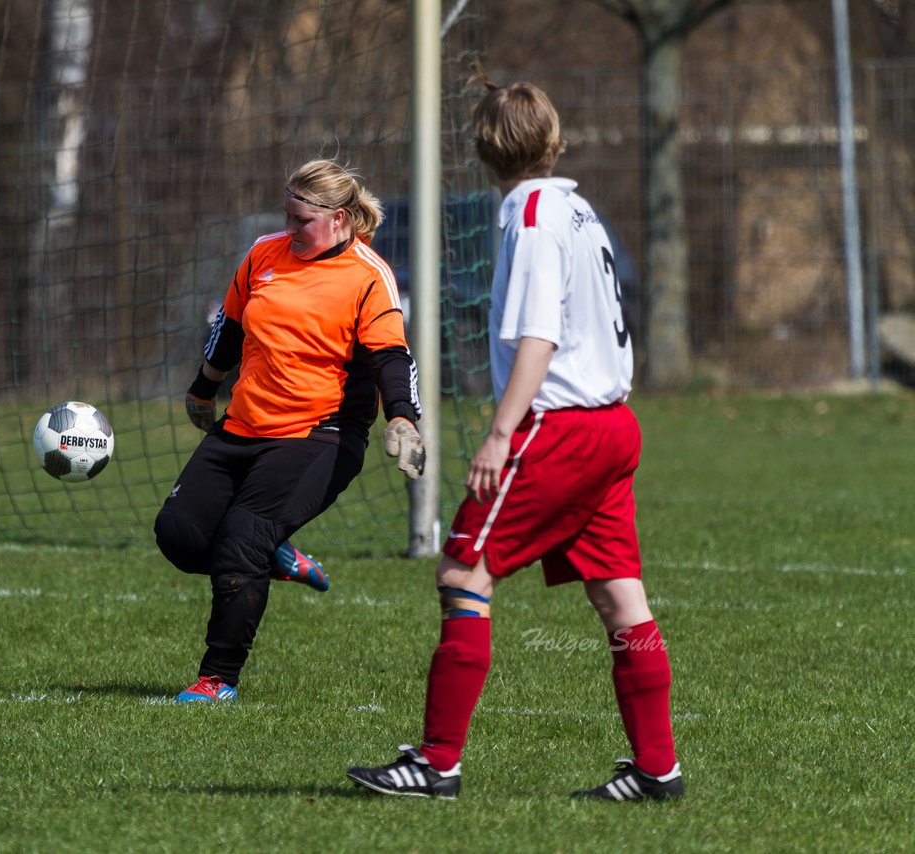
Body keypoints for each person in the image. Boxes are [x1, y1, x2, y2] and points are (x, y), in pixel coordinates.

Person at [346, 79, 682, 801]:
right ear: (552, 138)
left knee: (465, 574)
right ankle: (658, 769)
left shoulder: (529, 213)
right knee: (620, 598)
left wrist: (500, 435)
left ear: (482, 149)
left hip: (556, 427)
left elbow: (540, 334)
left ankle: (436, 764)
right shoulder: (577, 206)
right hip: (614, 425)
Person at [155, 158, 426, 703]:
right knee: (178, 536)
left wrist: (402, 416)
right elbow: (229, 329)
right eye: (287, 214)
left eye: (302, 219)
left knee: (240, 541)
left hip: (320, 435)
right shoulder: (263, 253)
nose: (291, 228)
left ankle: (217, 680)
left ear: (341, 219)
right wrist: (201, 389)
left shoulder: (368, 275)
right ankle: (276, 555)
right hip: (244, 424)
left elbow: (393, 356)